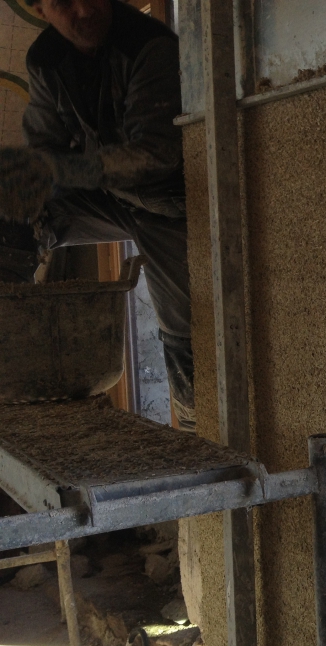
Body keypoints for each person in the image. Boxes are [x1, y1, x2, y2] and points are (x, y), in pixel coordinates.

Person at [0, 0, 194, 430]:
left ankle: (200, 431)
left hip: (170, 206)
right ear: (38, 8)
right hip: (107, 196)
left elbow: (158, 156)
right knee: (11, 204)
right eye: (63, 2)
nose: (84, 9)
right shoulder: (45, 59)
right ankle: (10, 356)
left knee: (186, 335)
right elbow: (45, 146)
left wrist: (65, 168)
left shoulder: (150, 46)